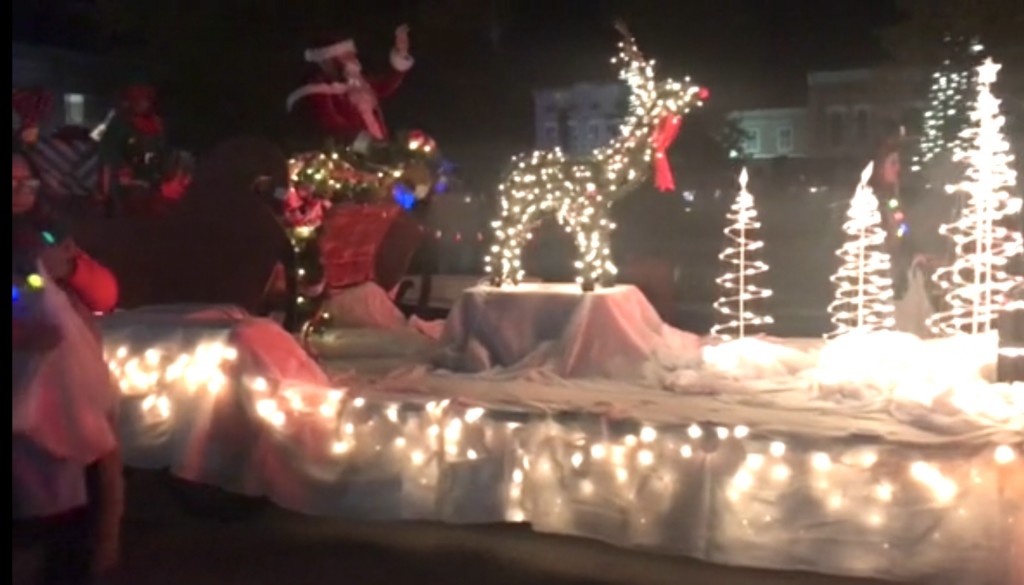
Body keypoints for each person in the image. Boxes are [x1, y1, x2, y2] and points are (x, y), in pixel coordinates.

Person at [12, 149, 124, 584]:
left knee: (77, 521)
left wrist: (70, 267)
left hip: (71, 394)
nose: (22, 192)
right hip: (25, 403)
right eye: (11, 183)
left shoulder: (49, 234)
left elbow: (105, 295)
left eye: (28, 182)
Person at [286, 25, 414, 150]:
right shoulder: (318, 91)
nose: (353, 61)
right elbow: (332, 124)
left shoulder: (360, 85)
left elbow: (386, 85)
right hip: (350, 161)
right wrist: (368, 144)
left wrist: (401, 54)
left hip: (379, 154)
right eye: (345, 56)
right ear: (327, 61)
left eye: (352, 55)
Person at [98, 85, 167, 217]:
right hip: (122, 174)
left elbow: (160, 147)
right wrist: (121, 165)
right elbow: (107, 148)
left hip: (148, 173)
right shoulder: (118, 122)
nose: (143, 104)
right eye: (139, 101)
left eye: (145, 101)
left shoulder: (155, 122)